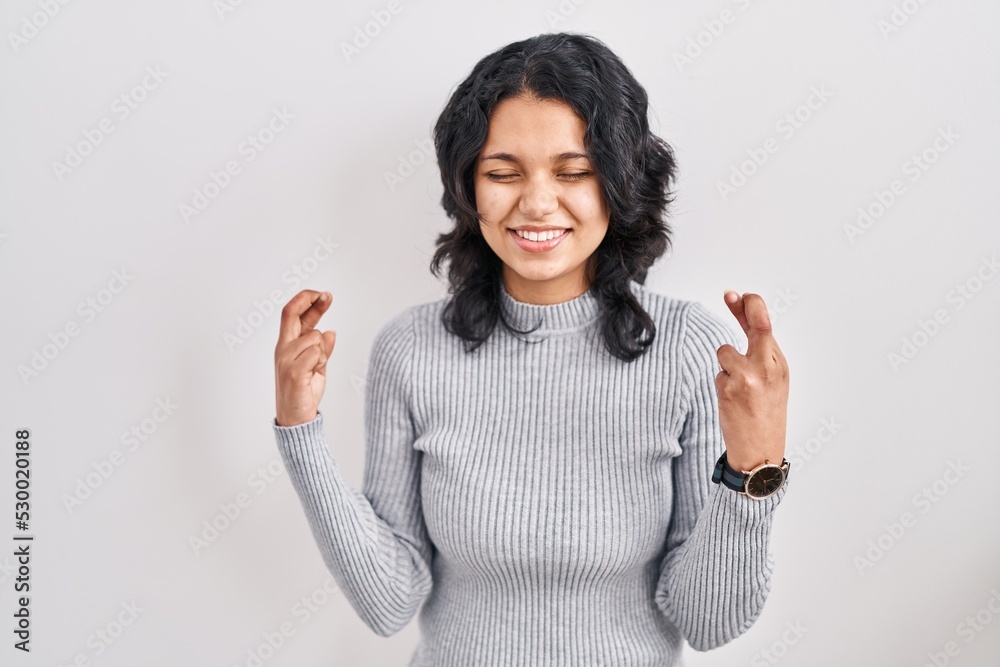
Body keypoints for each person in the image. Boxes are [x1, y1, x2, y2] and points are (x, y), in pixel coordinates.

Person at [272, 32, 790, 666]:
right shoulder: (409, 350)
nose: (537, 202)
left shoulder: (689, 351)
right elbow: (390, 600)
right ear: (468, 187)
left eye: (573, 172)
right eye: (502, 172)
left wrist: (754, 467)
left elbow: (708, 622)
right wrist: (299, 431)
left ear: (620, 184)